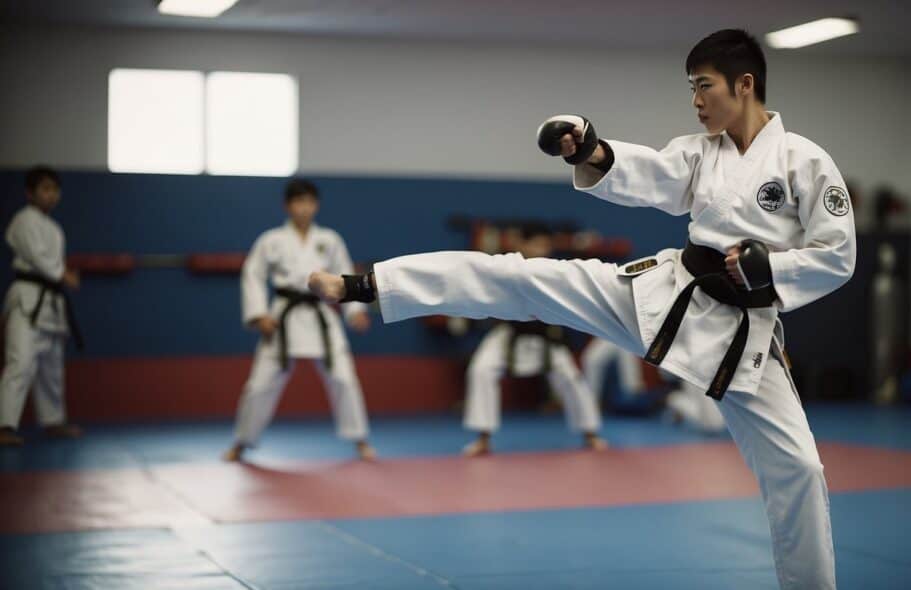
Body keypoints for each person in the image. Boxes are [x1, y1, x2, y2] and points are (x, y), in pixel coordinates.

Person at [310, 29, 853, 589]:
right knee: (519, 277)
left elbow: (838, 254)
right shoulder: (699, 152)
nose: (695, 101)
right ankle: (371, 285)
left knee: (802, 471)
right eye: (690, 87)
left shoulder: (804, 162)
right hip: (663, 296)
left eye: (704, 86)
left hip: (744, 337)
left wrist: (773, 269)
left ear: (745, 85)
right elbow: (649, 174)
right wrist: (592, 150)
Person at [223, 179, 375, 462]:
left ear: (316, 205)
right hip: (283, 316)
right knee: (260, 385)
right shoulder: (271, 240)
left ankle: (360, 439)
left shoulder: (330, 240)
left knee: (343, 378)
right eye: (298, 202)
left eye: (308, 202)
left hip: (320, 315)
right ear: (287, 205)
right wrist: (259, 315)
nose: (303, 208)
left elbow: (344, 276)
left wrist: (355, 312)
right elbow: (252, 275)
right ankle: (242, 442)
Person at [461, 222, 606, 456]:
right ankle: (483, 438)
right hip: (510, 334)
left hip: (545, 336)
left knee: (571, 378)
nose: (542, 249)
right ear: (521, 243)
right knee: (481, 369)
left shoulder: (557, 270)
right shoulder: (505, 268)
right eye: (536, 243)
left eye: (546, 244)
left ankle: (590, 434)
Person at [0, 165, 84, 446]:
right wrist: (63, 274)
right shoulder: (23, 220)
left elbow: (53, 264)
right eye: (45, 189)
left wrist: (61, 276)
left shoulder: (55, 228)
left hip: (51, 302)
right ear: (30, 193)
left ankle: (53, 421)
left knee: (51, 366)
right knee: (20, 361)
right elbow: (37, 258)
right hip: (26, 298)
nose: (51, 195)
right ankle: (4, 425)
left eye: (54, 189)